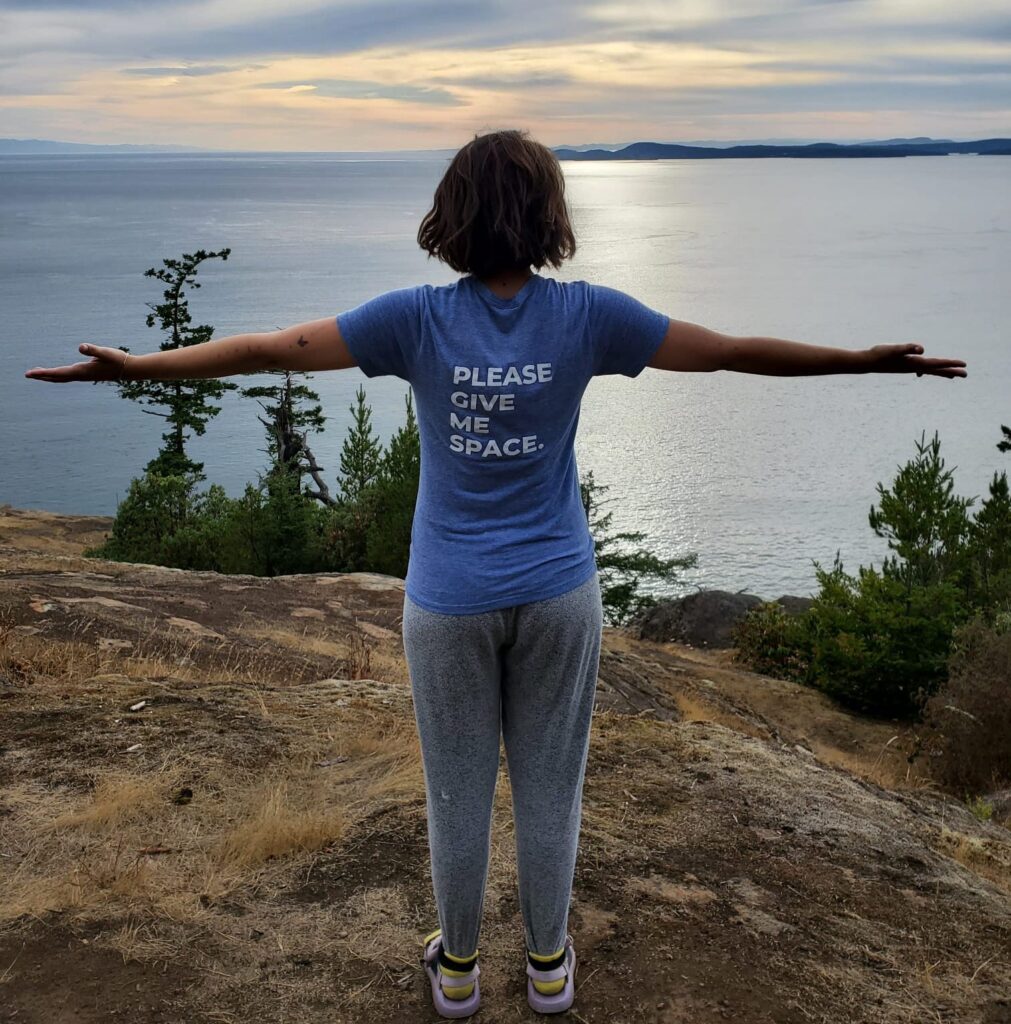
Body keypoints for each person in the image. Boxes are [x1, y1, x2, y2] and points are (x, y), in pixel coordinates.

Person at [24, 128, 967, 1019]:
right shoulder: (590, 316)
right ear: (548, 215)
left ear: (452, 217)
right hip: (559, 591)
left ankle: (461, 971)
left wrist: (140, 367)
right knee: (552, 789)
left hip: (448, 597)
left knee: (456, 791)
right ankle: (550, 969)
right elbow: (722, 353)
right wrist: (858, 364)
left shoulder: (413, 321)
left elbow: (273, 348)